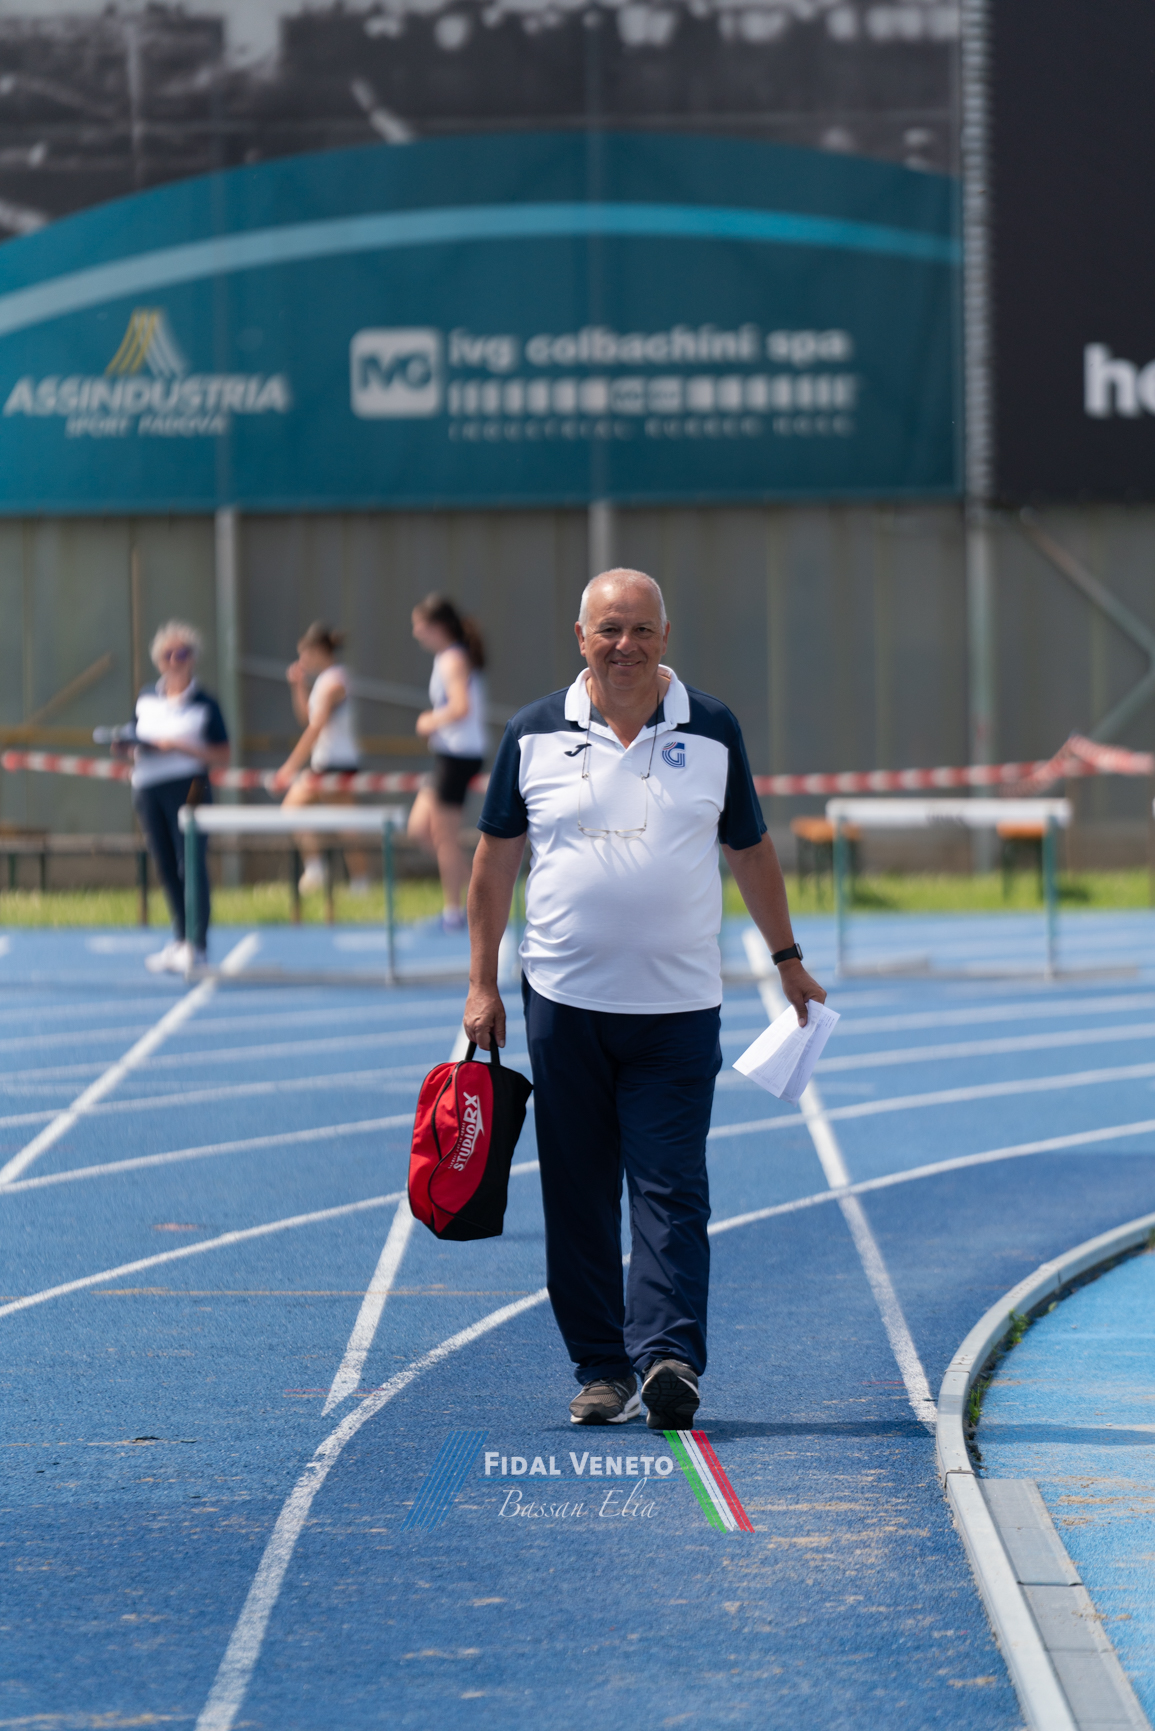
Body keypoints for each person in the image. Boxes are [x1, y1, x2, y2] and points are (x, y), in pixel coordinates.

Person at [463, 569, 826, 1430]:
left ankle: (668, 1358)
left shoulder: (712, 728)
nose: (623, 645)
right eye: (608, 629)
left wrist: (786, 959)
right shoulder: (532, 733)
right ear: (579, 637)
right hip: (563, 1003)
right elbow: (493, 863)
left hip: (677, 1010)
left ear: (665, 636)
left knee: (670, 1188)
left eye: (639, 629)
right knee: (577, 1194)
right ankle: (600, 1368)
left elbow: (750, 850)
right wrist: (481, 981)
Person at [130, 621, 230, 975]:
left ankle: (197, 944)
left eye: (182, 654)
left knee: (191, 862)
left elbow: (223, 754)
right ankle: (179, 937)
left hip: (191, 786)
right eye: (168, 654)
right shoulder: (146, 697)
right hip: (148, 786)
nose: (174, 661)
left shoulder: (205, 702)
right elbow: (134, 738)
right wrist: (126, 747)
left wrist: (179, 747)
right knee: (164, 864)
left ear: (193, 658)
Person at [271, 622, 370, 895]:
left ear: (317, 650)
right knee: (294, 810)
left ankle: (359, 883)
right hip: (324, 763)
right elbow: (307, 718)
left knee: (346, 827)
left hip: (337, 763)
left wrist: (289, 767)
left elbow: (315, 728)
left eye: (305, 653)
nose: (302, 660)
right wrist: (298, 686)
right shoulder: (323, 682)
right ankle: (318, 870)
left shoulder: (335, 682)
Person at [409, 595, 487, 931]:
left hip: (459, 756)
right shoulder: (449, 656)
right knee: (420, 829)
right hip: (449, 755)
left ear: (437, 626)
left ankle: (456, 912)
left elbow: (460, 706)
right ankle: (478, 896)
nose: (416, 632)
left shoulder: (452, 659)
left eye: (420, 625)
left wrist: (429, 721)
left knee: (445, 837)